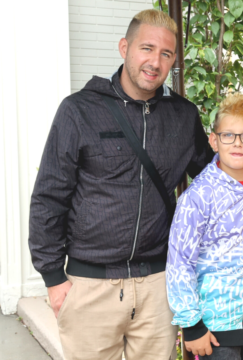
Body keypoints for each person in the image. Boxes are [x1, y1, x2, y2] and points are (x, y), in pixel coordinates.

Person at [28, 9, 213, 360]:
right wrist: (54, 277)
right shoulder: (78, 110)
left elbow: (213, 179)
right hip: (91, 287)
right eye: (146, 48)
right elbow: (49, 197)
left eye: (166, 54)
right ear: (124, 47)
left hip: (159, 285)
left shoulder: (183, 116)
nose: (155, 62)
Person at [166, 93, 243, 360]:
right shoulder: (198, 196)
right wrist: (192, 325)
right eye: (228, 135)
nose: (237, 143)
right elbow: (179, 263)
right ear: (213, 140)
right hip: (216, 326)